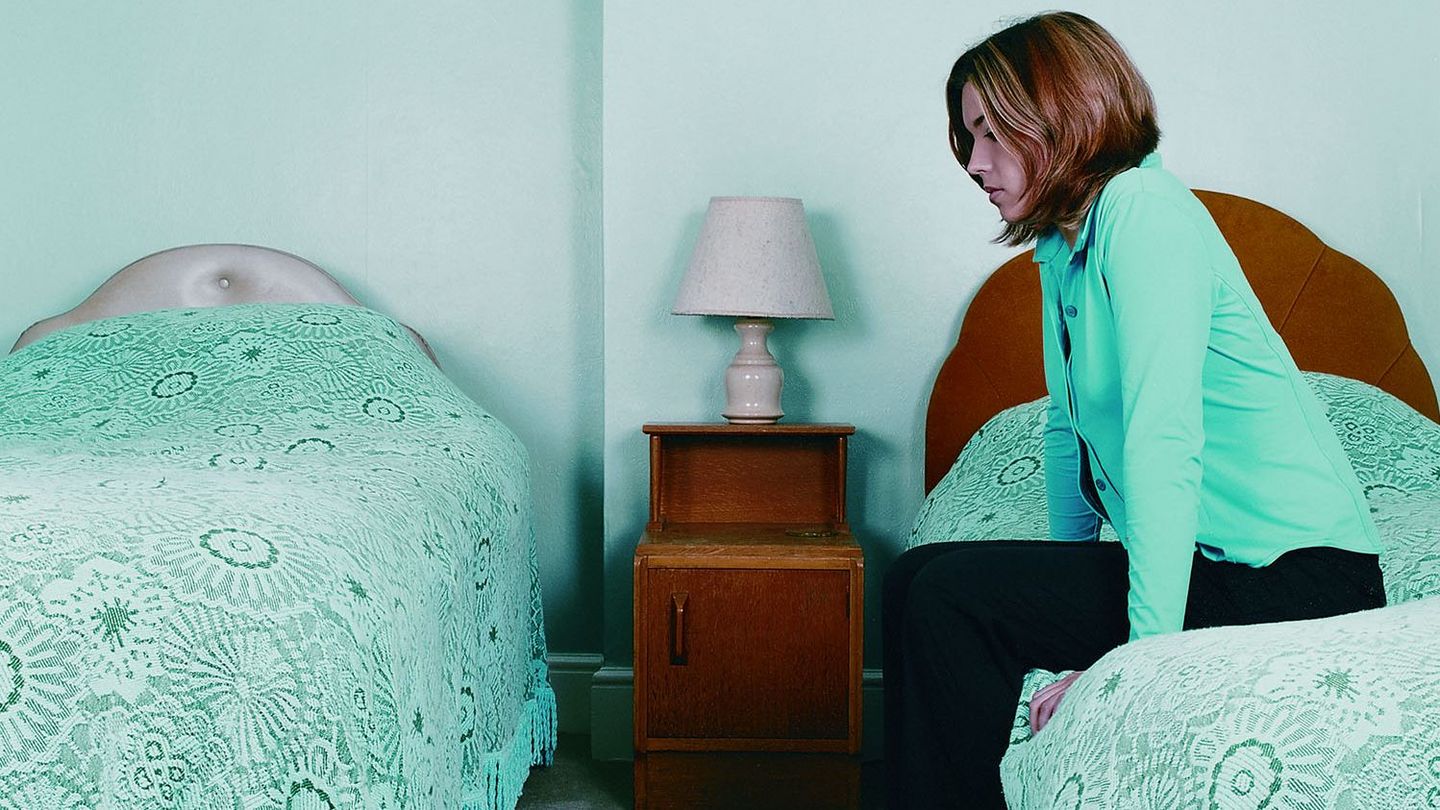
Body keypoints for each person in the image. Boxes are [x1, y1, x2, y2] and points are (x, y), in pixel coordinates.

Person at [883, 11, 1386, 809]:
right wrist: (1066, 583)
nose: (974, 164)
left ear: (1058, 114)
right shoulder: (1061, 245)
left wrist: (1138, 659)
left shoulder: (1143, 210)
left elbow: (1162, 435)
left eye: (991, 134)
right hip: (1213, 567)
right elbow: (1063, 430)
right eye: (966, 138)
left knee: (953, 596)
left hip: (1302, 576)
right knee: (916, 575)